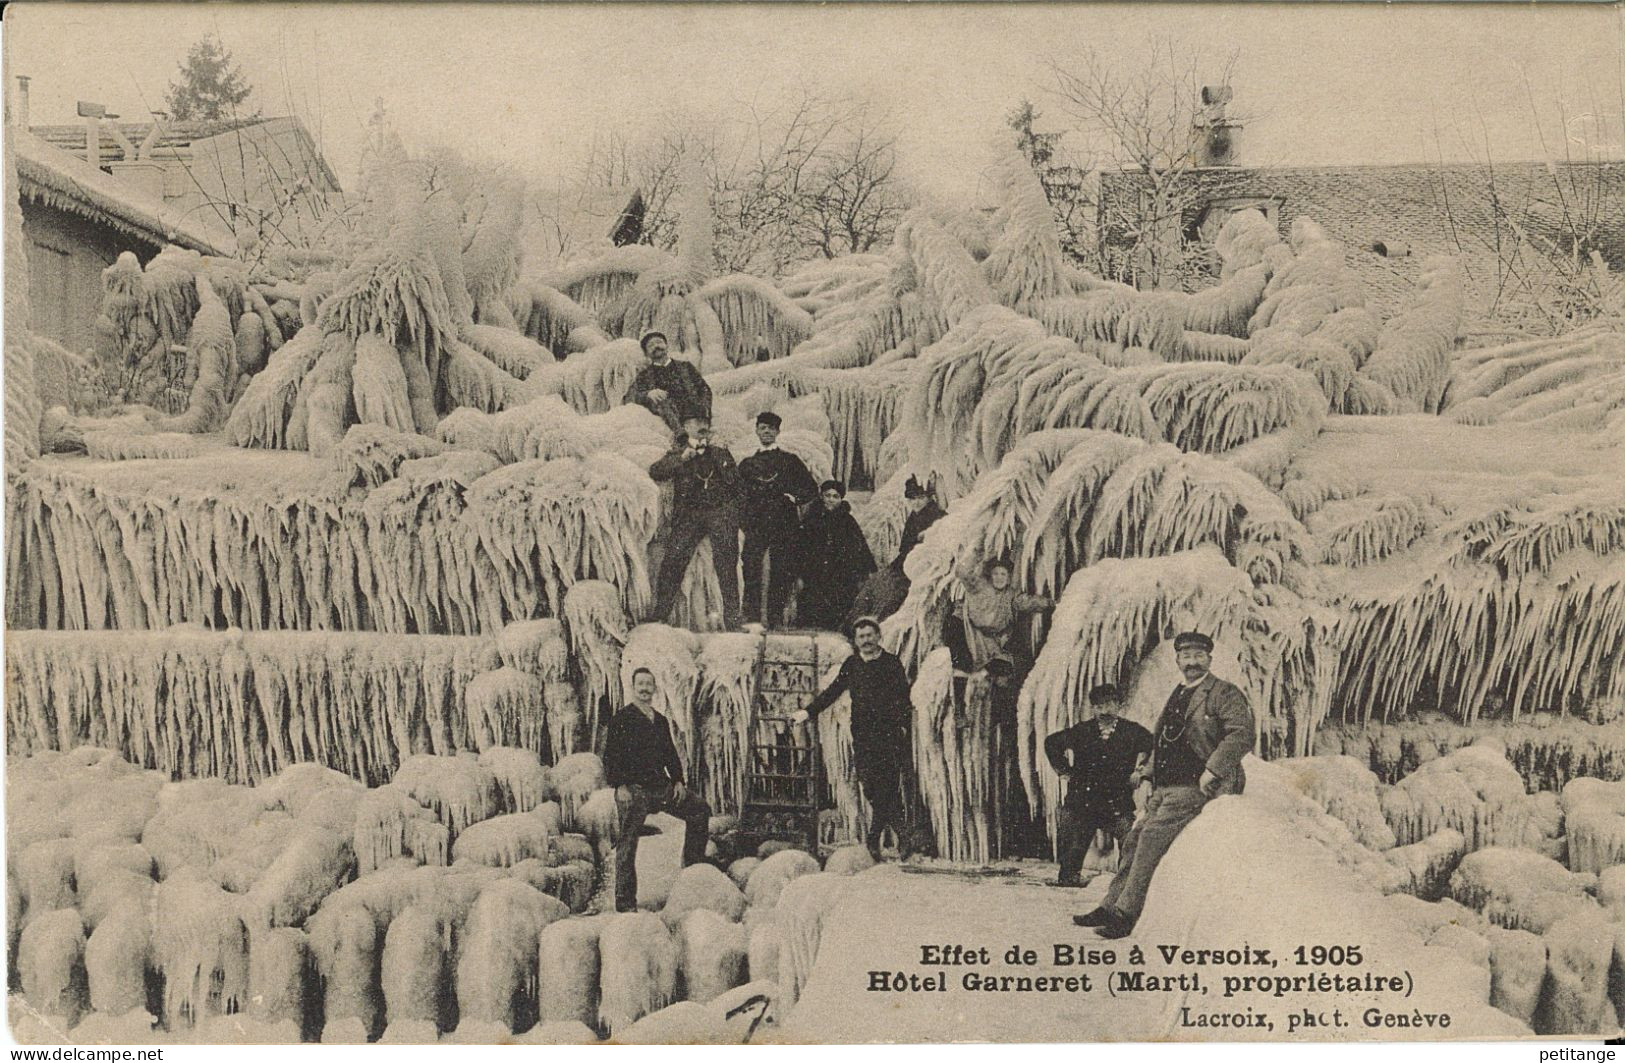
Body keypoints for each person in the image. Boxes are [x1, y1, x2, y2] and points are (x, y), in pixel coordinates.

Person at [1073, 632, 1255, 939]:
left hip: (1196, 786)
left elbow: (1241, 734)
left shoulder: (1224, 693)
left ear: (1209, 659)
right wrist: (1146, 775)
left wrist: (1213, 769)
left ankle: (1126, 914)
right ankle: (1109, 904)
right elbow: (1163, 742)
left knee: (1151, 840)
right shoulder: (1179, 692)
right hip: (1165, 786)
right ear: (1178, 661)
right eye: (1186, 657)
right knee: (1134, 839)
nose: (1192, 662)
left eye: (1198, 656)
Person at [791, 617, 913, 860]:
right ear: (856, 641)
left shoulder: (891, 663)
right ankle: (900, 833)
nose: (866, 641)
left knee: (886, 788)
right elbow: (833, 691)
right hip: (863, 736)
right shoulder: (852, 664)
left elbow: (903, 698)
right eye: (861, 637)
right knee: (871, 788)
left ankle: (877, 839)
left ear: (878, 636)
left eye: (870, 635)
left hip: (888, 737)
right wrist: (808, 711)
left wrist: (902, 729)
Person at [604, 667, 712, 912]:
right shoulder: (622, 718)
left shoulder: (660, 720)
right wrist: (620, 786)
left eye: (648, 684)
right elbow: (610, 756)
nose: (644, 688)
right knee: (628, 842)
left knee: (699, 810)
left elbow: (670, 754)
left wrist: (678, 781)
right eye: (640, 683)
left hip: (660, 788)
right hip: (633, 789)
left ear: (654, 688)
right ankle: (625, 903)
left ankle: (692, 867)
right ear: (633, 687)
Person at [1044, 683, 1152, 888]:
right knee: (1073, 841)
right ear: (1093, 708)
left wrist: (1141, 771)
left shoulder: (1133, 732)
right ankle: (1069, 878)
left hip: (1117, 801)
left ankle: (1125, 884)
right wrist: (1065, 771)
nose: (1104, 711)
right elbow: (1051, 743)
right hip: (1082, 801)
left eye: (1109, 705)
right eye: (1099, 706)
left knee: (1130, 839)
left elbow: (1154, 747)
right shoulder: (1082, 731)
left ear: (1119, 706)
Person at [648, 416, 742, 630]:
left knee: (727, 566)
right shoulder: (676, 453)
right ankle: (660, 614)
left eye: (705, 422)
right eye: (695, 422)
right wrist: (682, 458)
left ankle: (734, 621)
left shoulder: (720, 452)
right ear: (686, 427)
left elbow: (736, 484)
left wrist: (731, 513)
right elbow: (656, 471)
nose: (702, 426)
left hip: (719, 514)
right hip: (689, 515)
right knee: (672, 562)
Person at [737, 411, 817, 627]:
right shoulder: (747, 464)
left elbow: (810, 489)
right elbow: (736, 494)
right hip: (756, 523)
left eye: (771, 428)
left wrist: (793, 497)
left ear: (778, 432)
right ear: (756, 431)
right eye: (762, 427)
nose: (766, 431)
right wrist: (745, 520)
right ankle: (751, 618)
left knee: (782, 570)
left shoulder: (790, 461)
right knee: (751, 568)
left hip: (784, 522)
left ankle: (775, 618)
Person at [849, 475, 944, 624]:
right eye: (912, 498)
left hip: (916, 569)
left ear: (929, 497)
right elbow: (905, 548)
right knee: (874, 586)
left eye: (921, 497)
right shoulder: (914, 516)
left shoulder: (935, 516)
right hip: (903, 564)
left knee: (889, 596)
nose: (916, 502)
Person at [954, 559, 1054, 682]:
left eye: (1003, 574)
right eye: (995, 574)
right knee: (954, 624)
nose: (999, 578)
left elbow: (1028, 602)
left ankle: (982, 674)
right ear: (990, 576)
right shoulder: (980, 586)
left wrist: (1051, 603)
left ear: (1008, 578)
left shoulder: (1011, 595)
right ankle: (961, 672)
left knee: (1006, 664)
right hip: (971, 635)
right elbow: (963, 572)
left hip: (992, 644)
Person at [793, 480, 875, 631]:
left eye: (835, 496)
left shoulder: (848, 522)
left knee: (837, 612)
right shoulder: (811, 520)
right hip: (814, 575)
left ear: (841, 499)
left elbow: (860, 546)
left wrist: (866, 569)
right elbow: (800, 547)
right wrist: (798, 573)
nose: (831, 499)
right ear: (822, 497)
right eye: (828, 495)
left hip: (839, 576)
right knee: (812, 612)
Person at [625, 330, 712, 436]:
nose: (656, 346)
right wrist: (648, 394)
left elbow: (704, 389)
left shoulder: (685, 367)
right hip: (667, 421)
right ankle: (680, 435)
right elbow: (630, 397)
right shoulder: (644, 375)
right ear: (646, 354)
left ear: (667, 346)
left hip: (695, 415)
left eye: (659, 342)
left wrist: (705, 409)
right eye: (651, 345)